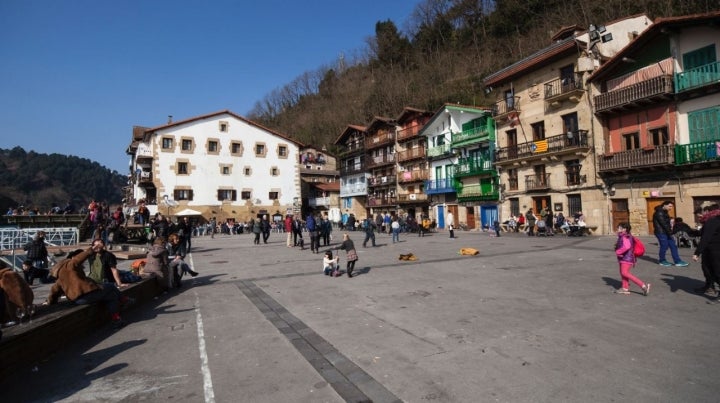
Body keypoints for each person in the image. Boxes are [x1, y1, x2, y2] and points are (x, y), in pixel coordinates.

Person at [45, 248, 133, 329]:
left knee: (111, 296)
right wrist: (91, 250)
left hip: (77, 300)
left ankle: (117, 318)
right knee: (110, 286)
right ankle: (123, 301)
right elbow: (78, 259)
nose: (82, 263)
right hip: (86, 295)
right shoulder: (70, 264)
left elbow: (54, 291)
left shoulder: (60, 277)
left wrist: (50, 302)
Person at [692, 202, 720, 299]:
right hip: (709, 250)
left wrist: (697, 252)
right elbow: (703, 233)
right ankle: (709, 286)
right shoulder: (711, 220)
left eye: (701, 211)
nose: (699, 214)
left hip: (715, 250)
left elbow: (706, 237)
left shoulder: (712, 220)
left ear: (707, 211)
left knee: (716, 272)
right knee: (706, 269)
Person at [614, 222, 651, 296]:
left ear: (624, 229)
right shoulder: (624, 236)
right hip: (624, 257)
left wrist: (618, 251)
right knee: (623, 273)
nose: (617, 229)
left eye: (619, 228)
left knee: (625, 273)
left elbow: (627, 246)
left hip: (626, 258)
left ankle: (643, 286)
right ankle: (625, 288)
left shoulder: (625, 237)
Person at [653, 201, 688, 267]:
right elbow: (664, 224)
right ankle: (662, 260)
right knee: (664, 246)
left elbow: (667, 224)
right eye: (670, 206)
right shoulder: (659, 212)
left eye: (672, 206)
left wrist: (670, 232)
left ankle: (677, 261)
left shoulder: (664, 212)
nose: (671, 208)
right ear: (664, 205)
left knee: (673, 246)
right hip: (661, 232)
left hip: (667, 232)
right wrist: (670, 233)